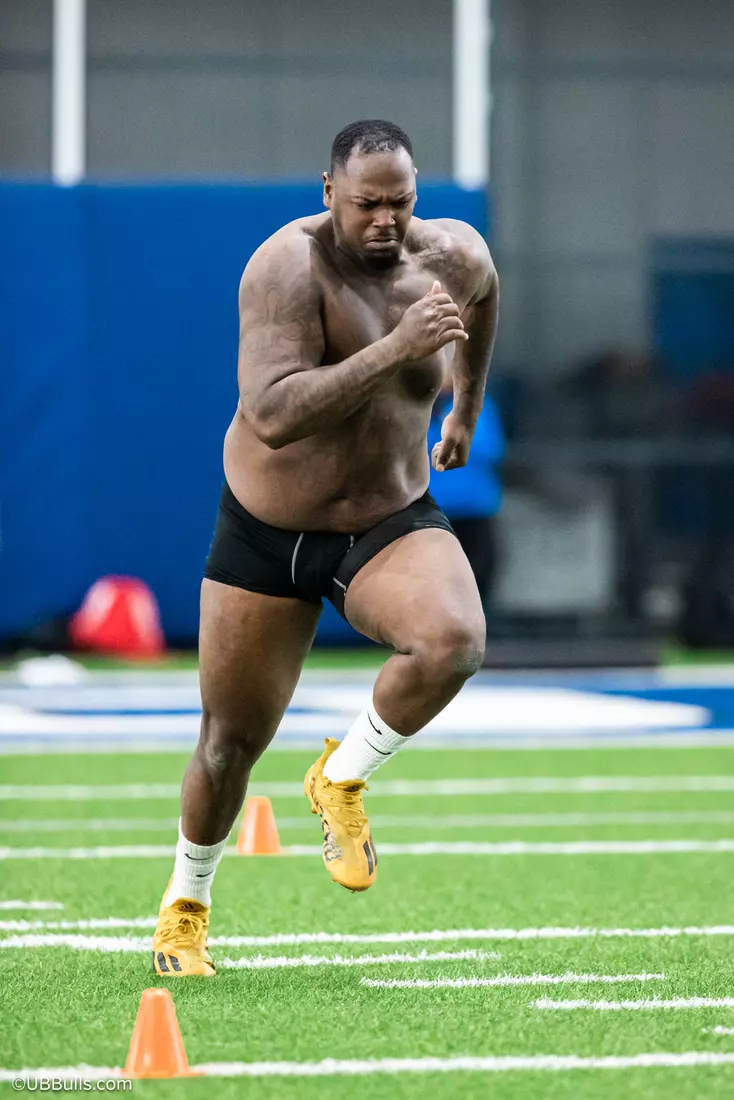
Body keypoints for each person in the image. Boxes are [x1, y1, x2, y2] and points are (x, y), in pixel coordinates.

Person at [152, 119, 499, 977]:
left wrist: (464, 406)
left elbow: (484, 301)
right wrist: (397, 350)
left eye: (401, 202)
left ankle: (340, 779)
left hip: (385, 520)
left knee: (454, 643)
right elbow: (271, 414)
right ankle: (185, 907)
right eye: (366, 204)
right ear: (327, 194)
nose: (385, 221)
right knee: (229, 743)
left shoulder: (451, 255)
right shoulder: (287, 267)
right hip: (268, 531)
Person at [427, 380, 504, 617]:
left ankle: (477, 633)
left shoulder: (475, 405)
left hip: (475, 509)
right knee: (434, 580)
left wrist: (450, 425)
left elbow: (491, 449)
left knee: (478, 575)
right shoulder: (417, 404)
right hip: (433, 513)